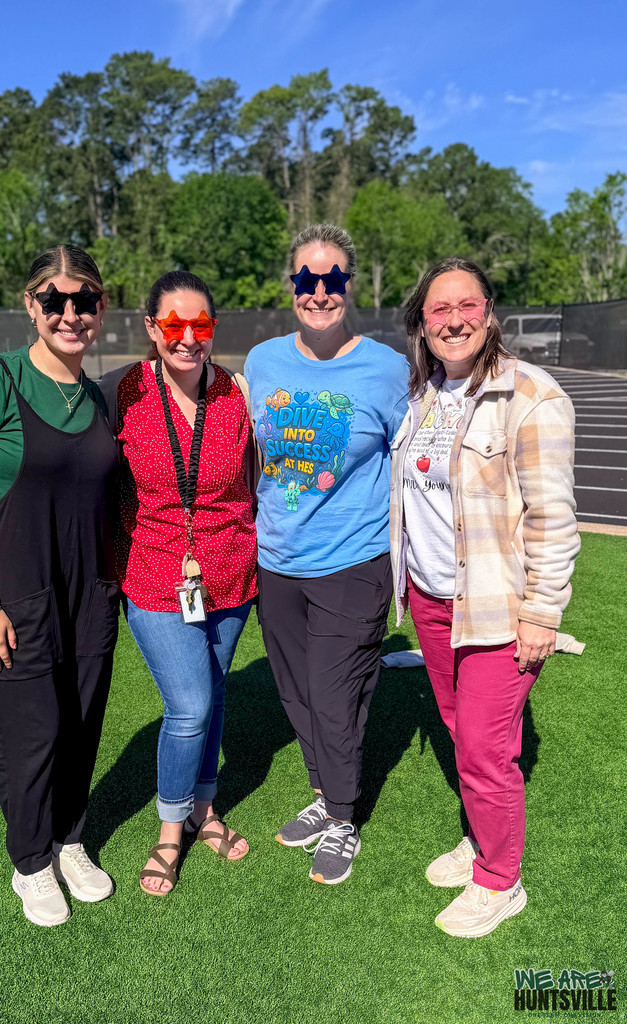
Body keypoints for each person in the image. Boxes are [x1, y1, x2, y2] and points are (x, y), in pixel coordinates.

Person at [389, 256, 580, 936]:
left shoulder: (531, 396)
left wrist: (540, 614)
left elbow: (553, 522)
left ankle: (500, 881)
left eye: (465, 306)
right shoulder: (425, 395)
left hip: (497, 608)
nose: (453, 320)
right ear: (420, 324)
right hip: (435, 603)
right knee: (458, 730)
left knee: (481, 747)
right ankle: (481, 839)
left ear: (488, 312)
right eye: (437, 311)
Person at [0, 246, 120, 927]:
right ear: (31, 304)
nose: (69, 314)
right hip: (14, 597)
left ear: (101, 308)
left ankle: (70, 839)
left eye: (84, 301)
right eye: (55, 300)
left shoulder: (96, 395)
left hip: (88, 595)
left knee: (79, 724)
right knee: (30, 733)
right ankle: (31, 862)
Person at [243, 224, 409, 885]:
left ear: (348, 285)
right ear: (292, 287)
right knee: (296, 694)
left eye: (331, 277)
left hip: (353, 562)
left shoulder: (387, 369)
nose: (319, 291)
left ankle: (342, 818)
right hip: (277, 561)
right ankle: (323, 792)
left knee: (335, 695)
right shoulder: (261, 362)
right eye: (306, 279)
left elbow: (416, 462)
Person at [100, 271, 257, 896]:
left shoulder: (236, 392)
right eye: (173, 325)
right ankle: (170, 830)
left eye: (200, 326)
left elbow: (258, 474)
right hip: (154, 571)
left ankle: (204, 809)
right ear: (150, 328)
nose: (187, 338)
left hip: (229, 573)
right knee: (188, 707)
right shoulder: (125, 392)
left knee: (214, 696)